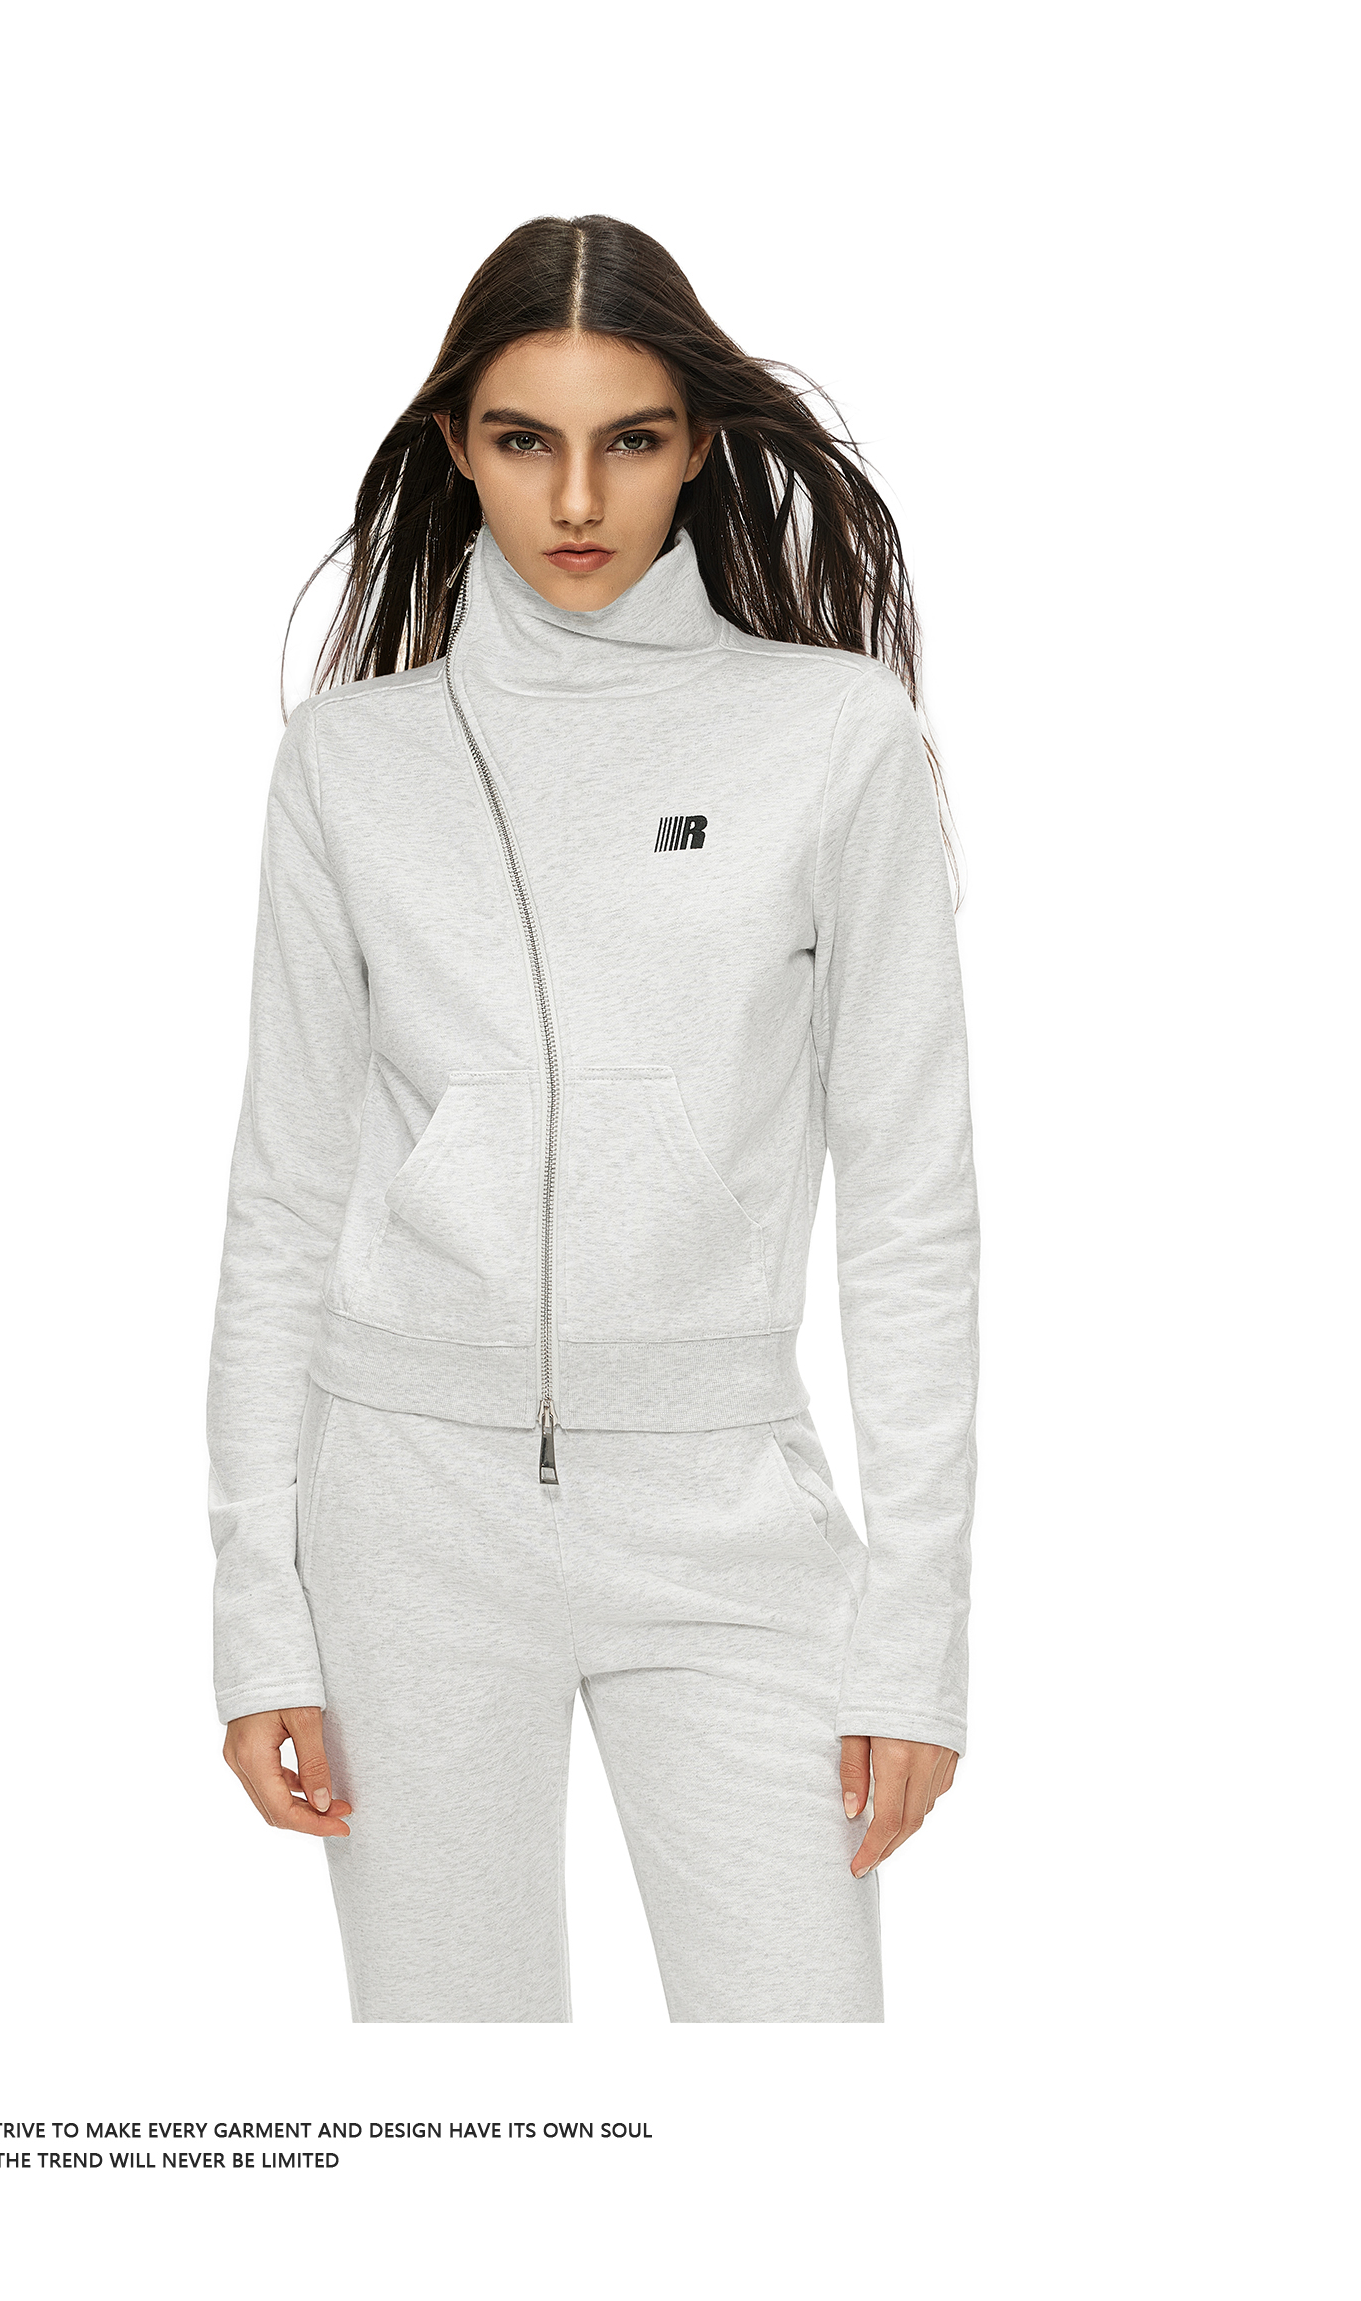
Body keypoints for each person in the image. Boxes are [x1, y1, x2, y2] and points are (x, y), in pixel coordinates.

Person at [206, 213, 979, 2022]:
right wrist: (258, 1609)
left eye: (629, 439)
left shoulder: (832, 734)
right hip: (404, 1522)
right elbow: (283, 1198)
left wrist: (917, 1639)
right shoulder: (350, 761)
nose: (576, 498)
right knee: (460, 2114)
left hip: (727, 1513)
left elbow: (913, 1205)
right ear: (457, 446)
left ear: (696, 442)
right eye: (522, 439)